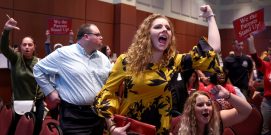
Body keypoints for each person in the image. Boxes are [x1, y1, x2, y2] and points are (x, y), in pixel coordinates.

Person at [94, 5, 221, 134]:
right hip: (129, 130)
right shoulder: (126, 61)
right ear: (146, 34)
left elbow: (213, 49)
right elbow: (107, 94)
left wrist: (210, 17)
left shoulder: (173, 62)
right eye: (158, 27)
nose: (165, 30)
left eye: (168, 28)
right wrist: (112, 127)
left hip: (159, 130)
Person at [33, 24, 112, 134]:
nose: (101, 37)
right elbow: (38, 69)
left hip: (98, 115)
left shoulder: (103, 58)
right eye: (97, 35)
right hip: (74, 116)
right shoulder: (63, 53)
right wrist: (50, 92)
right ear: (86, 37)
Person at [0, 15, 44, 134]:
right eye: (24, 45)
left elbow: (45, 82)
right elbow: (3, 48)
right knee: (16, 131)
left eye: (30, 45)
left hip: (36, 103)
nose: (27, 47)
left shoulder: (40, 62)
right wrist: (7, 30)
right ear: (20, 47)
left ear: (34, 47)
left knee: (35, 130)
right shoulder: (16, 58)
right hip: (18, 102)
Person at [178, 88, 252, 135]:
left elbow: (246, 110)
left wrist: (228, 95)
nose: (206, 107)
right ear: (191, 110)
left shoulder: (217, 119)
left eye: (208, 104)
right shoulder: (184, 128)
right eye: (200, 105)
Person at [247, 35, 271, 135]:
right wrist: (251, 43)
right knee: (265, 129)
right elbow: (255, 58)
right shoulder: (267, 66)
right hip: (268, 102)